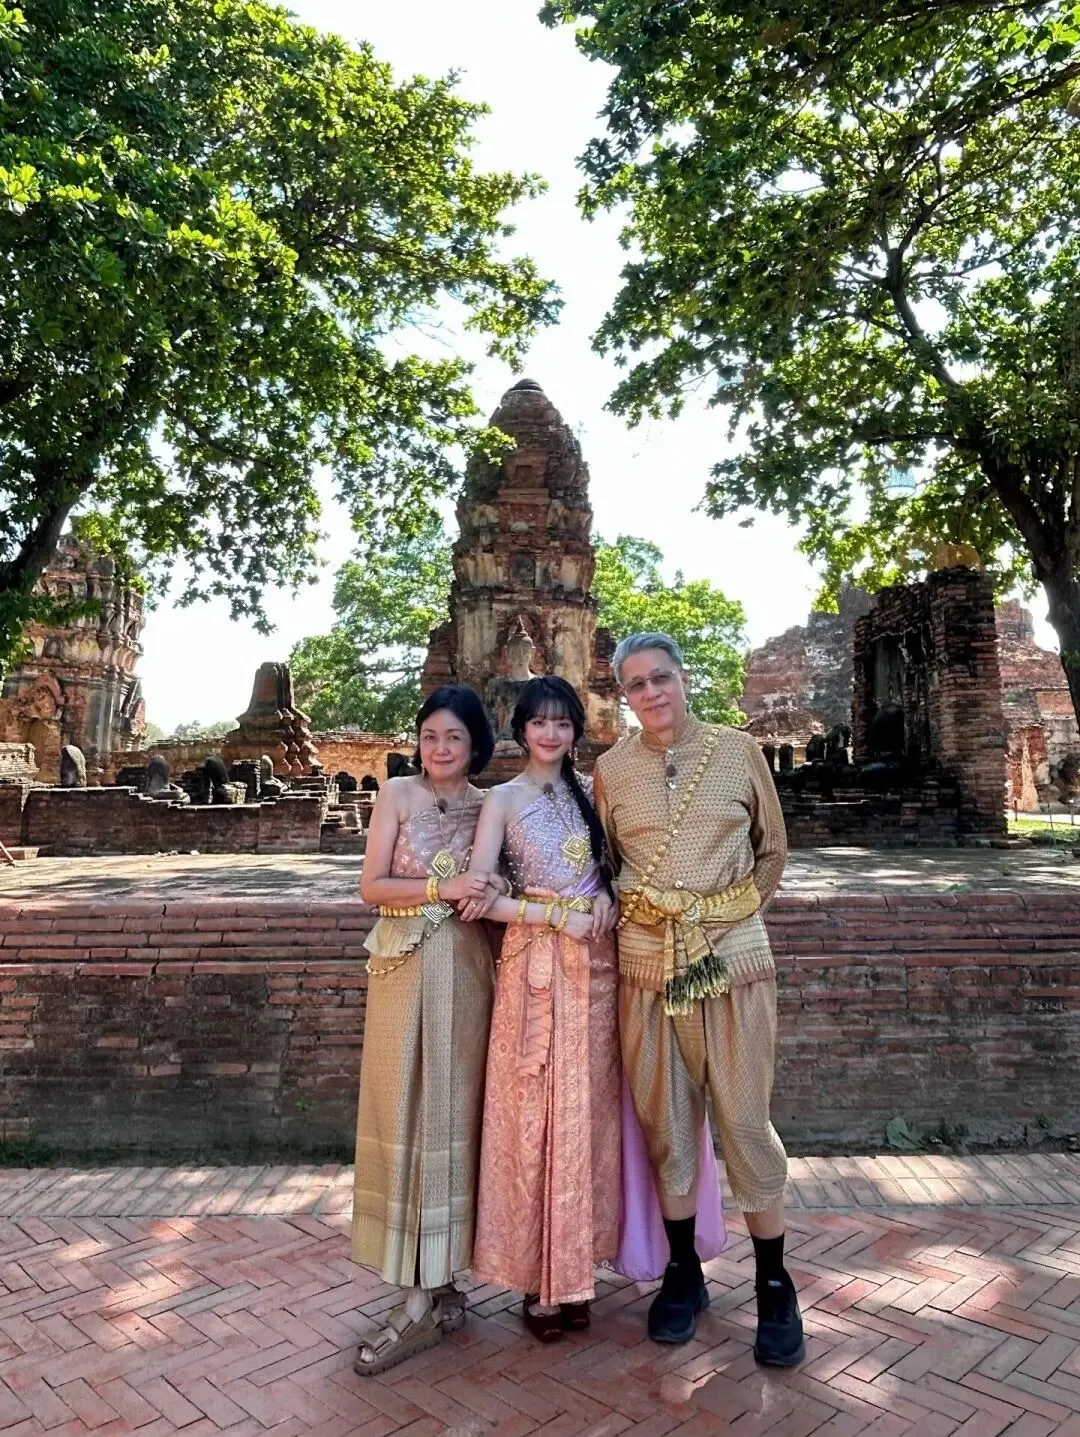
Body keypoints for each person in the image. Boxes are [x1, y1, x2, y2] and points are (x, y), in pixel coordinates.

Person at [593, 633, 804, 1367]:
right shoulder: (611, 770)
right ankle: (683, 1271)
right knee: (668, 1127)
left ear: (683, 678)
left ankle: (774, 1282)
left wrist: (723, 916)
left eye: (662, 677)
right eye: (636, 684)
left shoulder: (737, 751)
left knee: (744, 1121)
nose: (651, 692)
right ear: (625, 695)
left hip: (730, 963)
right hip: (648, 968)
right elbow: (609, 863)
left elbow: (772, 850)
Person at [461, 675, 621, 1341]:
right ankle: (536, 1279)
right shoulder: (501, 800)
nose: (550, 733)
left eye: (562, 722)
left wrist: (607, 898)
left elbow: (616, 871)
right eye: (539, 722)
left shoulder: (593, 791)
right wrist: (554, 915)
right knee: (535, 1119)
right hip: (535, 970)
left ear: (575, 729)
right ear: (520, 728)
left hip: (599, 972)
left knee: (589, 1119)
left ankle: (576, 1270)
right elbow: (478, 897)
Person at [352, 685, 498, 1374]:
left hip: (466, 972)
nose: (440, 748)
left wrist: (493, 889)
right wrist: (444, 888)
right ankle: (413, 1289)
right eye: (431, 735)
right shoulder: (397, 795)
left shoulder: (489, 805)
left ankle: (437, 1283)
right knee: (401, 1106)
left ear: (475, 745)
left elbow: (501, 882)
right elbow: (373, 886)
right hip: (402, 966)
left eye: (454, 737)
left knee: (450, 1110)